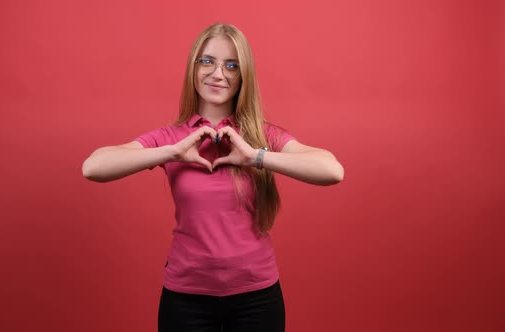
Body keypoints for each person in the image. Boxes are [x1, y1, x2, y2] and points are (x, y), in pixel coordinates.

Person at [82, 23, 344, 332]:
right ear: (193, 68)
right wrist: (170, 153)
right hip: (186, 298)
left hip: (257, 298)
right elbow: (93, 166)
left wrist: (255, 157)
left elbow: (332, 170)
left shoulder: (262, 135)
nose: (217, 73)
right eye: (207, 61)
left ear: (242, 76)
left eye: (231, 65)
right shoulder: (173, 137)